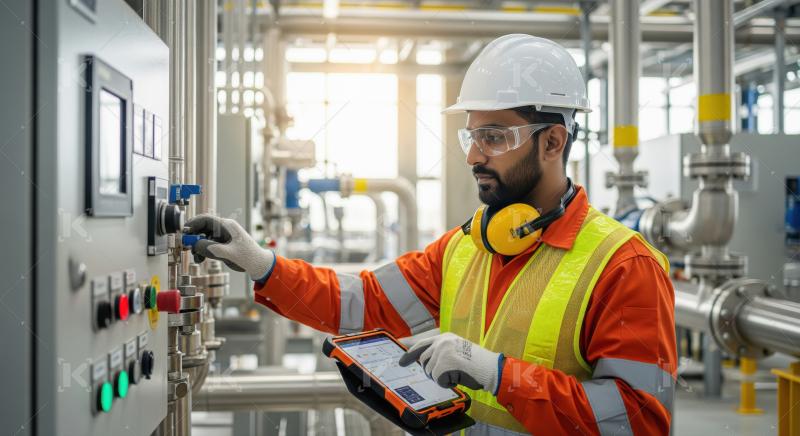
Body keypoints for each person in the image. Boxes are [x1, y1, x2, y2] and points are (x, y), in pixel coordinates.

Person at [186, 34, 676, 435]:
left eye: (494, 137)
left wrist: (499, 376)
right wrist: (262, 265)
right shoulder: (467, 248)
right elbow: (361, 303)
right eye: (471, 136)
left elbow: (637, 420)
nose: (474, 156)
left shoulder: (623, 265)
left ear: (553, 142)